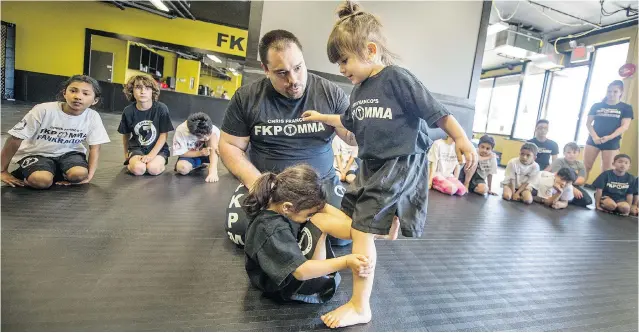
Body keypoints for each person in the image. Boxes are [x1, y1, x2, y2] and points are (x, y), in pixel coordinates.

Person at [301, 1, 478, 328]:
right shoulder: (359, 91)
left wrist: (462, 138)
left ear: (370, 50)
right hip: (371, 166)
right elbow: (348, 121)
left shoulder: (397, 79)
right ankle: (385, 225)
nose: (341, 69)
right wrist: (321, 116)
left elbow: (436, 111)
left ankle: (360, 304)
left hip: (400, 163)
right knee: (356, 218)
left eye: (344, 60)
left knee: (362, 229)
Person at [219, 29, 356, 247]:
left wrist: (373, 124)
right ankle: (303, 226)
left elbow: (352, 137)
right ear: (265, 69)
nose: (293, 80)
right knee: (241, 232)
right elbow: (229, 146)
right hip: (268, 182)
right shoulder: (247, 98)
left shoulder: (330, 93)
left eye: (298, 68)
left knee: (344, 236)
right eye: (282, 73)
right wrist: (259, 184)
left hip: (321, 183)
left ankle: (296, 225)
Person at [244, 164, 372, 304]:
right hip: (285, 287)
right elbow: (301, 272)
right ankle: (369, 234)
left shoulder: (277, 201)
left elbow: (324, 209)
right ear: (287, 207)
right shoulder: (272, 229)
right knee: (319, 220)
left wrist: (365, 231)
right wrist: (346, 261)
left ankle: (370, 233)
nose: (310, 216)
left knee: (320, 217)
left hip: (289, 263)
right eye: (308, 214)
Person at [1, 75, 110, 189]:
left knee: (79, 175)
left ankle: (52, 171)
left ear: (95, 100)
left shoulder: (92, 116)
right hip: (37, 153)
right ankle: (34, 172)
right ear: (64, 93)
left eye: (85, 93)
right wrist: (2, 170)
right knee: (41, 181)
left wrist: (88, 177)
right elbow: (15, 138)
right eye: (73, 91)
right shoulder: (43, 110)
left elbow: (95, 147)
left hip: (69, 154)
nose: (78, 96)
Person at [118, 74, 174, 176]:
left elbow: (163, 135)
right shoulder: (128, 111)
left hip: (158, 149)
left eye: (147, 88)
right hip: (137, 148)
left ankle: (159, 164)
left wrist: (151, 156)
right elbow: (126, 134)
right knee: (139, 169)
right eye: (138, 87)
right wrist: (126, 153)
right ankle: (131, 165)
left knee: (153, 169)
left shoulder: (161, 109)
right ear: (132, 90)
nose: (143, 91)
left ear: (152, 91)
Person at [584, 80, 634, 181]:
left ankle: (604, 195)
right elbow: (588, 123)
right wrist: (595, 137)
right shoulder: (597, 106)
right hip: (593, 140)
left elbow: (624, 126)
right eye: (609, 91)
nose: (611, 94)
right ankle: (578, 191)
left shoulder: (626, 108)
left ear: (621, 93)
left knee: (607, 170)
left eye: (615, 91)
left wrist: (609, 137)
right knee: (586, 167)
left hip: (611, 142)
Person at [172, 112, 220, 183]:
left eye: (208, 134)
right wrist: (200, 153)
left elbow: (216, 149)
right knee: (182, 168)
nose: (206, 138)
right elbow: (181, 153)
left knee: (213, 137)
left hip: (208, 154)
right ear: (192, 133)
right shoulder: (181, 131)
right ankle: (197, 164)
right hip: (192, 154)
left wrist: (213, 170)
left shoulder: (213, 129)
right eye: (201, 137)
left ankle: (213, 170)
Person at [549, 142, 592, 208]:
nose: (571, 155)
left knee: (587, 201)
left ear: (578, 153)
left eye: (574, 153)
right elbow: (556, 176)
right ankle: (562, 199)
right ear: (564, 153)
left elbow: (581, 180)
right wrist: (571, 188)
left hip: (572, 184)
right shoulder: (559, 161)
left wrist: (570, 184)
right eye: (569, 152)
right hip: (558, 183)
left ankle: (565, 199)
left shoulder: (580, 164)